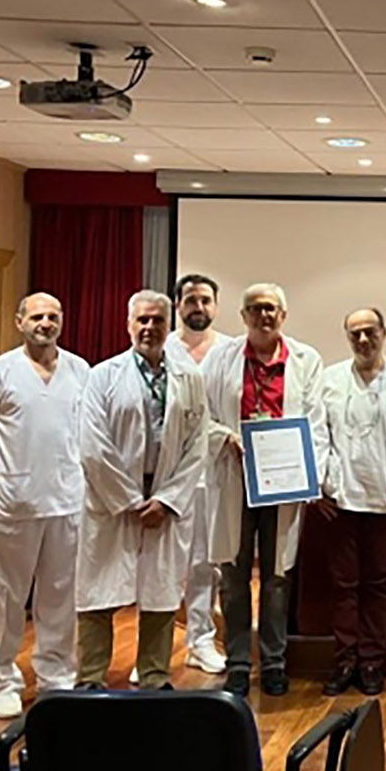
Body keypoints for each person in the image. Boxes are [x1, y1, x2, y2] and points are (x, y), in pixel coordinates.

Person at [0, 293, 90, 719]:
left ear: (62, 321)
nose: (45, 323)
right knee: (5, 597)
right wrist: (2, 482)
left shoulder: (80, 371)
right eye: (37, 316)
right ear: (20, 322)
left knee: (61, 595)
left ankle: (57, 675)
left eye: (53, 316)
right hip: (13, 506)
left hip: (67, 502)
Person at [76, 290, 208, 690]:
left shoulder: (189, 377)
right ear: (129, 325)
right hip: (114, 500)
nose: (150, 328)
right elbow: (93, 445)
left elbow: (197, 444)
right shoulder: (103, 376)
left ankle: (154, 677)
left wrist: (166, 501)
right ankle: (91, 680)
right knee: (98, 592)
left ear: (169, 326)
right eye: (142, 320)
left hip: (164, 499)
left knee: (161, 593)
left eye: (157, 321)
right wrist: (130, 502)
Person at [203, 283, 328, 698]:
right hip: (234, 477)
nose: (263, 316)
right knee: (234, 575)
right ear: (243, 316)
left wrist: (311, 476)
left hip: (283, 482)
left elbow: (316, 422)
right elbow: (200, 415)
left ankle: (274, 662)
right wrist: (226, 437)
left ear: (283, 315)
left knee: (277, 577)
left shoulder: (306, 360)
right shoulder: (220, 359)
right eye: (255, 309)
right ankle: (239, 663)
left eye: (271, 308)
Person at [317, 307, 386, 697]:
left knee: (379, 583)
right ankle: (345, 661)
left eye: (370, 331)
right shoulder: (329, 379)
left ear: (383, 333)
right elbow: (317, 434)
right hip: (341, 498)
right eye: (355, 333)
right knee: (343, 585)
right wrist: (319, 487)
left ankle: (372, 660)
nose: (363, 340)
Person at [165, 272, 231, 676]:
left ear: (216, 306)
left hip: (215, 469)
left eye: (206, 300)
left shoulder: (229, 351)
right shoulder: (162, 347)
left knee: (206, 561)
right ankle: (154, 649)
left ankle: (201, 641)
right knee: (164, 563)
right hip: (170, 473)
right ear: (178, 305)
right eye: (191, 300)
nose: (199, 307)